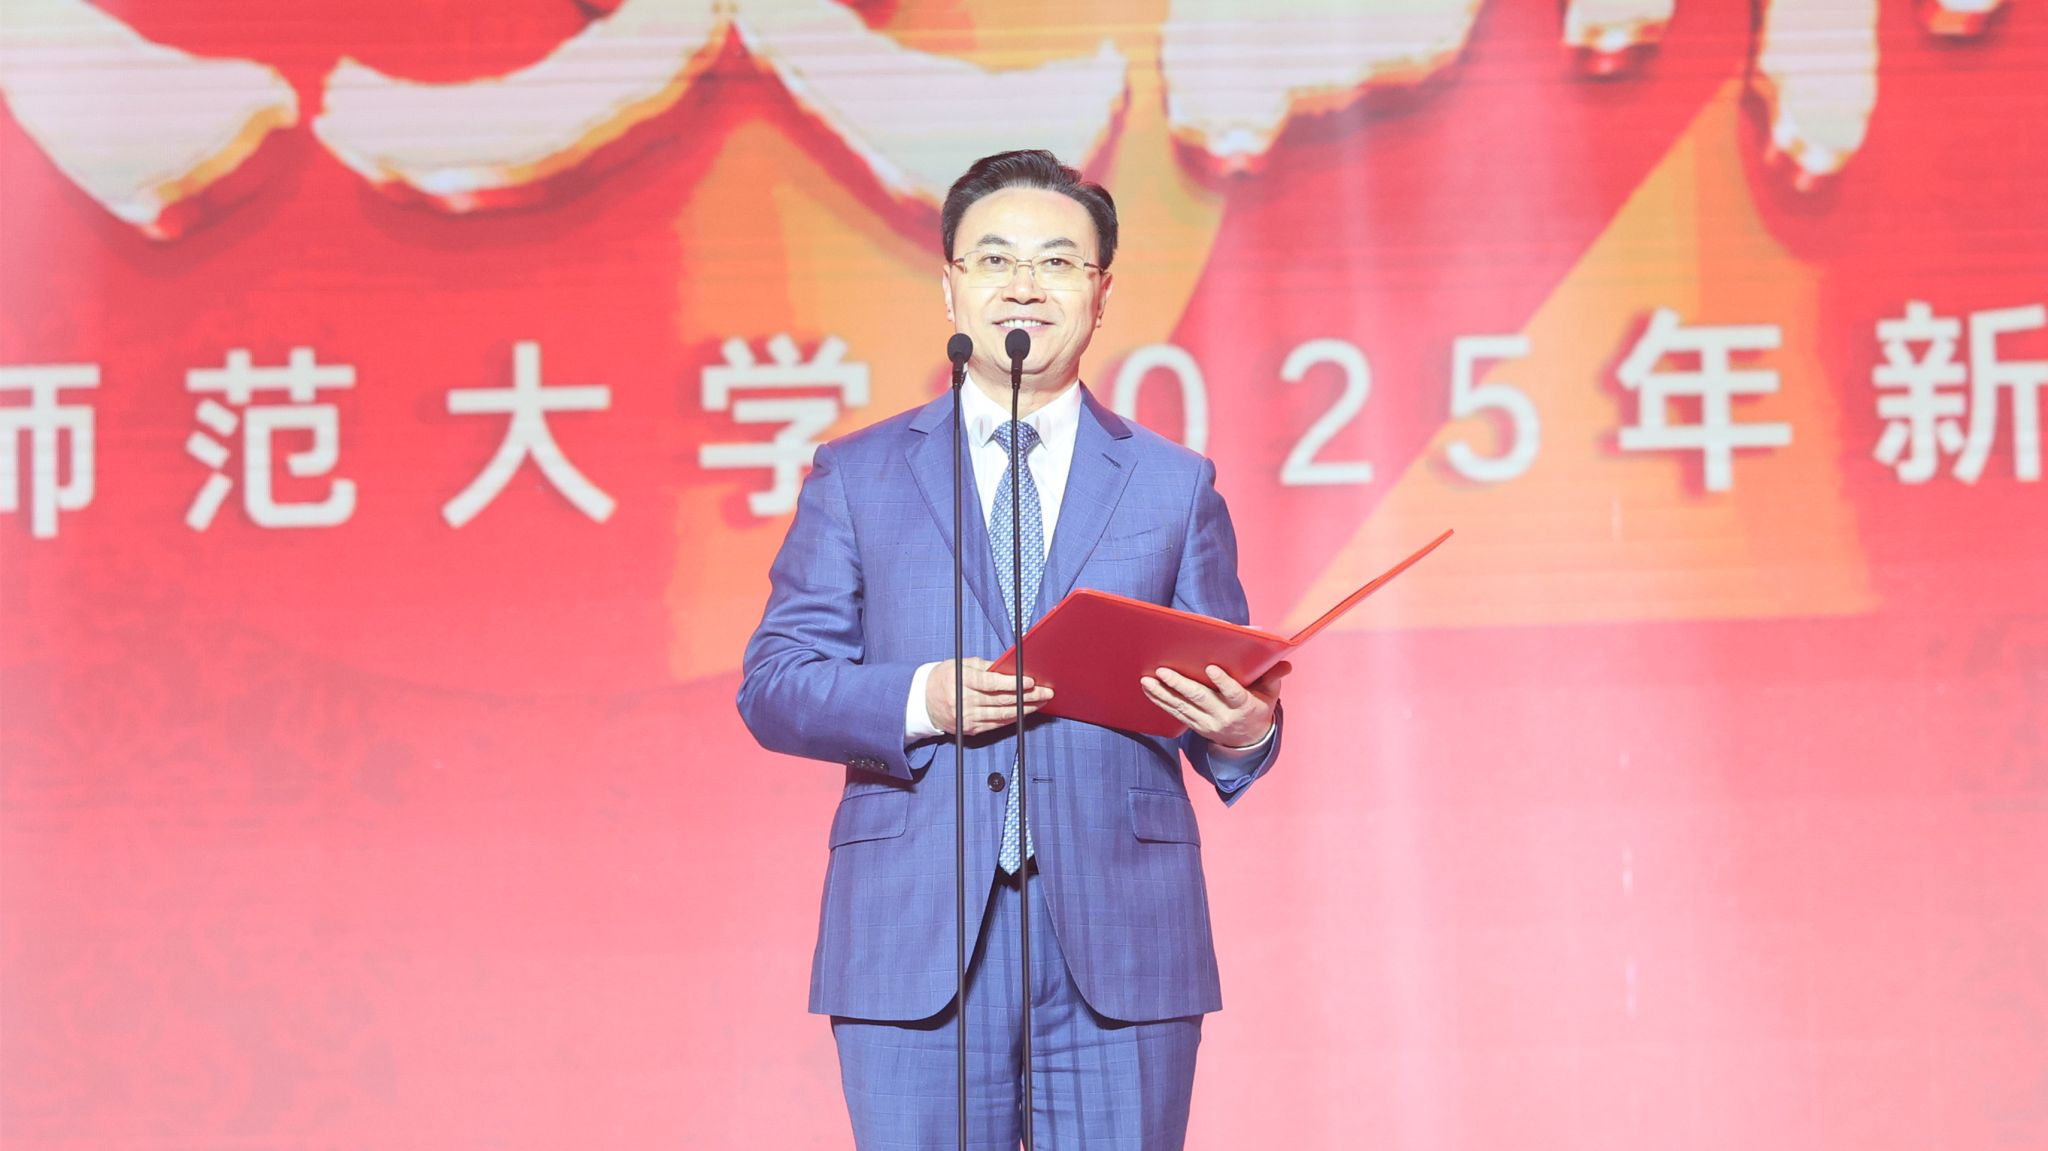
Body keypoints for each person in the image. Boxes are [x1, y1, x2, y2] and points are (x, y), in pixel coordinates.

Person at [738, 149, 1288, 1150]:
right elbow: (776, 685)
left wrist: (1244, 728)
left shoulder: (1173, 484)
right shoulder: (857, 475)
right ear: (949, 285)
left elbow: (1224, 694)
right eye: (994, 259)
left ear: (1100, 293)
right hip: (913, 930)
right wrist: (921, 698)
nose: (1024, 285)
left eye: (1057, 262)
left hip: (1124, 936)